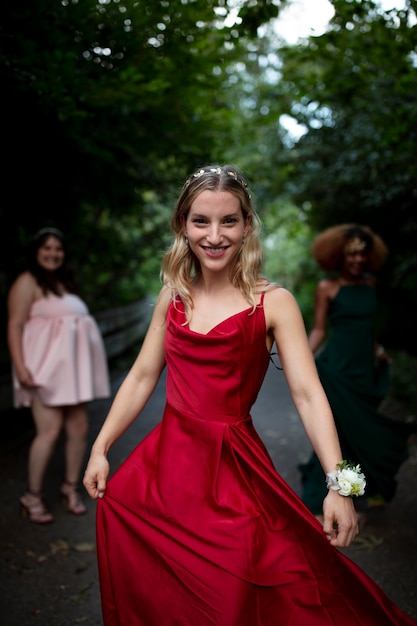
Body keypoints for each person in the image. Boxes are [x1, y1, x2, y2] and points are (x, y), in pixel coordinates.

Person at [83, 167, 415, 625]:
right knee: (162, 585)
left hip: (234, 470)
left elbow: (307, 393)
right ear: (182, 225)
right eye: (201, 221)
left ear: (247, 226)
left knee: (252, 588)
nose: (215, 235)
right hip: (165, 472)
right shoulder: (172, 296)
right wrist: (101, 447)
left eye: (229, 221)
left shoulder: (273, 302)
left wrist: (340, 485)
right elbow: (142, 376)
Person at [299, 224, 415, 518]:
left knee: (364, 428)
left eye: (363, 254)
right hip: (337, 369)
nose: (358, 260)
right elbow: (320, 330)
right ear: (339, 256)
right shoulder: (328, 288)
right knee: (338, 429)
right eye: (351, 254)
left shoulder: (371, 285)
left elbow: (369, 328)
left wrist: (377, 350)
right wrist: (300, 357)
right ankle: (326, 491)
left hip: (365, 368)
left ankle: (369, 485)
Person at [7, 227, 111, 524]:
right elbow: (14, 325)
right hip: (46, 371)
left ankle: (69, 487)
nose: (53, 254)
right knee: (49, 432)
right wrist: (21, 367)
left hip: (73, 374)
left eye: (58, 249)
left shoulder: (64, 284)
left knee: (78, 430)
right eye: (47, 248)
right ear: (36, 251)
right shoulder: (27, 282)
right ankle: (33, 495)